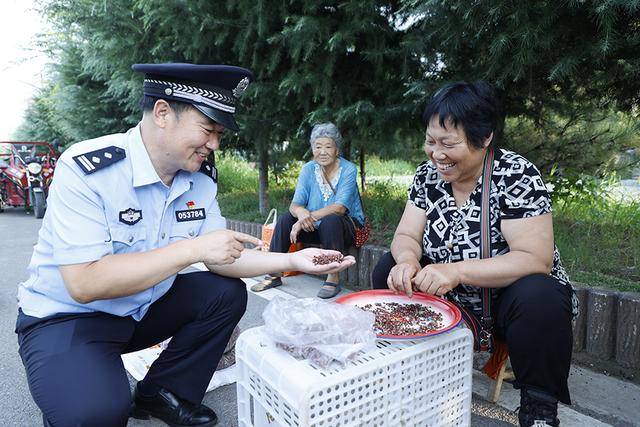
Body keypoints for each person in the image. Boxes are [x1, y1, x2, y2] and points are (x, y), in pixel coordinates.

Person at [15, 63, 355, 427]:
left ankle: (161, 393)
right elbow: (84, 284)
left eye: (220, 133)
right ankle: (81, 381)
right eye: (208, 130)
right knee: (95, 413)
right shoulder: (89, 170)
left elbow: (222, 258)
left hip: (140, 309)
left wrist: (296, 261)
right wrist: (193, 250)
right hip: (70, 319)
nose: (214, 144)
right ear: (163, 112)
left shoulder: (199, 178)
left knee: (225, 293)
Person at [371, 81, 578, 427]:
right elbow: (406, 234)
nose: (436, 153)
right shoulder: (427, 176)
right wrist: (407, 260)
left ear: (484, 139)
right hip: (452, 300)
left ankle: (539, 409)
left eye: (448, 143)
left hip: (507, 305)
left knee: (539, 294)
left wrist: (456, 271)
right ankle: (411, 375)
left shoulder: (516, 174)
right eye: (430, 141)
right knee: (387, 269)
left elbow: (534, 258)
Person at [251, 123, 365, 299]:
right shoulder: (308, 169)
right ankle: (274, 273)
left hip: (343, 230)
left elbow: (340, 208)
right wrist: (302, 215)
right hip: (314, 227)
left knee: (331, 220)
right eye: (318, 147)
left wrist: (307, 217)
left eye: (328, 146)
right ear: (313, 149)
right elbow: (295, 205)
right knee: (286, 219)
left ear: (336, 149)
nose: (323, 151)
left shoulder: (348, 169)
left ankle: (333, 276)